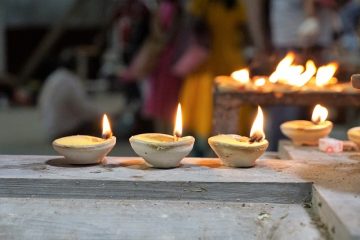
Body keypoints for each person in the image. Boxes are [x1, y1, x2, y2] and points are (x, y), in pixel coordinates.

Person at [175, 0, 247, 155]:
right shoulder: (231, 5)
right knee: (210, 111)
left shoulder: (204, 4)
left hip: (214, 63)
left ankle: (215, 148)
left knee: (206, 111)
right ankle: (218, 148)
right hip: (216, 63)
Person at [38, 50, 102, 141]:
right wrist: (103, 114)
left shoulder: (53, 77)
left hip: (50, 129)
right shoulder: (70, 81)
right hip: (63, 132)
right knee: (97, 124)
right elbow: (83, 109)